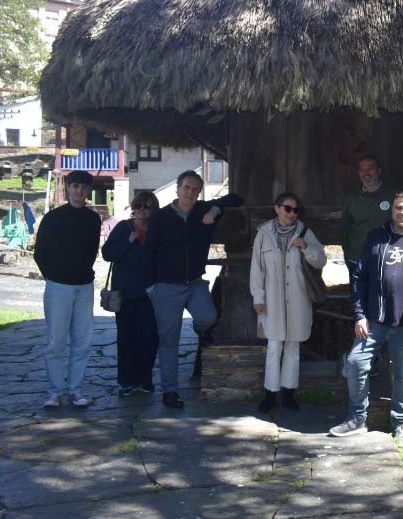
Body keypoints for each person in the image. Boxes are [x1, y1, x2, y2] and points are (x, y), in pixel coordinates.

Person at [330, 191, 403, 449]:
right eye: (398, 208)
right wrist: (360, 314)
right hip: (374, 320)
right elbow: (359, 276)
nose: (402, 212)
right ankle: (357, 418)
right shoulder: (377, 236)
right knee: (355, 363)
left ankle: (400, 423)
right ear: (392, 210)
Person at [145, 170, 243, 409]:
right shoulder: (160, 217)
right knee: (169, 340)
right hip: (166, 287)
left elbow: (235, 199)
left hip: (194, 283)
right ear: (178, 189)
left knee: (208, 317)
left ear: (199, 192)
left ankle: (201, 330)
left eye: (195, 189)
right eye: (186, 187)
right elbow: (148, 252)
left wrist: (215, 210)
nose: (189, 192)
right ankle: (170, 391)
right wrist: (150, 287)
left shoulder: (202, 210)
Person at [251, 192, 327, 413]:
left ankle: (289, 394)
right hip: (272, 300)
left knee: (293, 347)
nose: (292, 213)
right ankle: (269, 394)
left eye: (295, 210)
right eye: (287, 208)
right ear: (277, 208)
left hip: (299, 299)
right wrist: (258, 298)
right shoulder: (263, 234)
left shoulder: (305, 232)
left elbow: (321, 260)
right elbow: (257, 269)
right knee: (274, 346)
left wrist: (306, 247)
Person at [33, 170, 102, 408]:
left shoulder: (93, 219)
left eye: (83, 187)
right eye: (74, 186)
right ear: (68, 188)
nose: (79, 191)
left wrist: (81, 273)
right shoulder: (53, 218)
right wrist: (54, 276)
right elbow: (40, 252)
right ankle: (55, 392)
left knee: (82, 341)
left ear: (88, 190)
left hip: (84, 286)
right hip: (58, 286)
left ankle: (75, 390)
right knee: (56, 342)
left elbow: (92, 251)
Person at [101, 191, 161, 396]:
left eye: (148, 206)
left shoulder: (157, 230)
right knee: (127, 338)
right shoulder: (123, 227)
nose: (143, 210)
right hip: (125, 293)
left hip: (150, 295)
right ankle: (126, 381)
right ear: (133, 208)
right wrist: (128, 241)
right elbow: (107, 253)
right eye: (139, 206)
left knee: (149, 338)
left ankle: (145, 380)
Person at [341, 155, 397, 286]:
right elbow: (345, 229)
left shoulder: (393, 195)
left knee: (383, 299)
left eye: (370, 168)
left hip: (385, 259)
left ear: (379, 171)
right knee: (359, 301)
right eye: (362, 169)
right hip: (357, 258)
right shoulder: (352, 198)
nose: (366, 173)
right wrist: (348, 254)